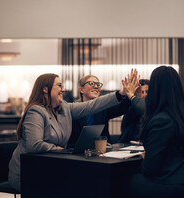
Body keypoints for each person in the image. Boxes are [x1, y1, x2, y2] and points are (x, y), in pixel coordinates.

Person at [8, 71, 139, 191]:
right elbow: (34, 144)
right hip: (29, 172)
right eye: (59, 85)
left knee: (87, 183)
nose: (63, 89)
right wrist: (57, 148)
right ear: (45, 89)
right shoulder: (36, 111)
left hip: (51, 167)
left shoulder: (64, 107)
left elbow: (92, 105)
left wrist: (121, 93)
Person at [114, 66, 184, 198]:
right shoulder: (181, 115)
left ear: (155, 89)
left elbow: (150, 168)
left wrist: (147, 155)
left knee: (119, 185)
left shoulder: (160, 120)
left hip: (177, 189)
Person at [67, 74, 130, 147]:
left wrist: (131, 94)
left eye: (98, 84)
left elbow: (122, 107)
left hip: (103, 152)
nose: (96, 86)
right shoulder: (73, 110)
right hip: (78, 154)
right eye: (92, 83)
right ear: (81, 89)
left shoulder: (103, 108)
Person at [118, 79, 149, 143]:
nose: (145, 95)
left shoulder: (154, 108)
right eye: (141, 92)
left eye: (147, 92)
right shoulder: (131, 108)